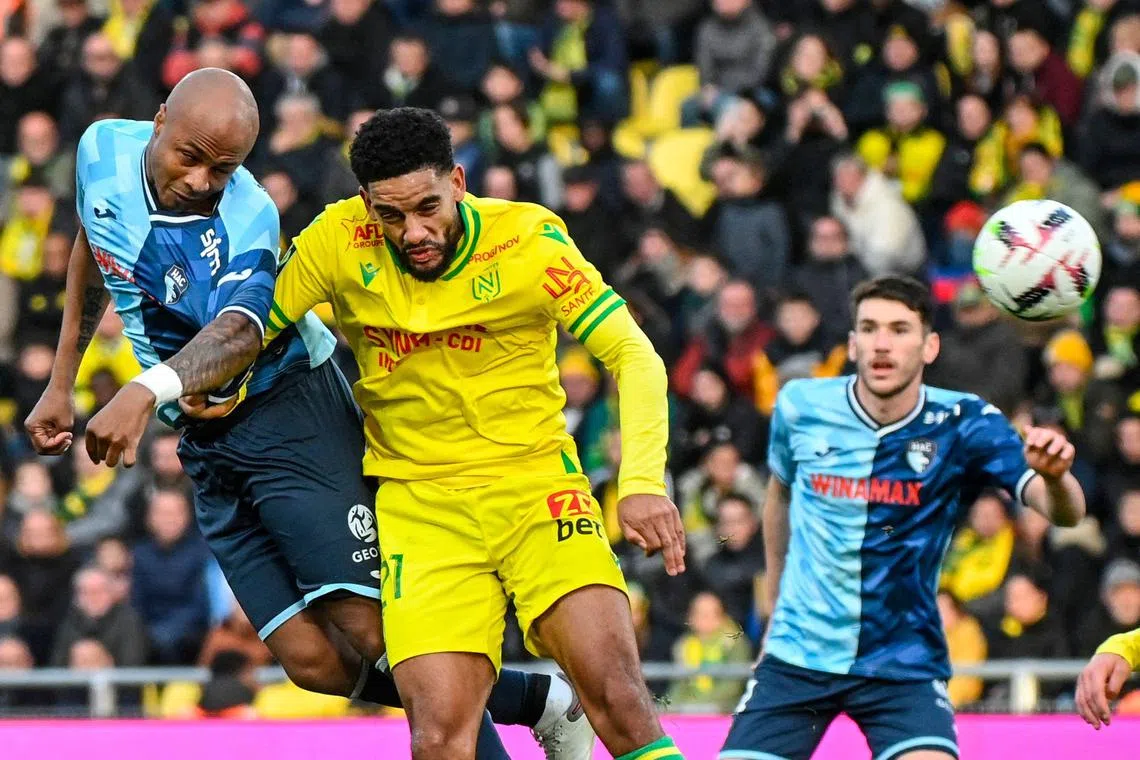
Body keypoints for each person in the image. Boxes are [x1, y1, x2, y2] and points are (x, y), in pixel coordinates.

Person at [22, 70, 583, 759]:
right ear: (160, 118)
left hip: (290, 409)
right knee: (312, 663)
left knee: (376, 633)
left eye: (223, 168)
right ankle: (538, 700)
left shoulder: (246, 217)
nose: (202, 180)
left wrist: (142, 392)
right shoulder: (101, 147)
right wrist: (62, 380)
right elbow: (93, 237)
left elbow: (235, 334)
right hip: (204, 437)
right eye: (189, 157)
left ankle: (520, 722)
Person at [257, 106, 687, 760]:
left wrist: (642, 484)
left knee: (621, 705)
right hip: (421, 510)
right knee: (437, 738)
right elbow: (249, 329)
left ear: (458, 181)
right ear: (366, 202)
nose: (414, 231)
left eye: (428, 206)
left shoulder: (529, 240)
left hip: (538, 490)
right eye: (390, 215)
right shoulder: (336, 240)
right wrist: (164, 384)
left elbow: (634, 356)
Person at [719, 275, 1086, 760]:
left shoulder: (965, 421)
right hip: (798, 658)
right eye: (869, 328)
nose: (882, 344)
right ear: (852, 344)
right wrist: (775, 608)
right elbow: (779, 499)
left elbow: (1066, 511)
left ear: (930, 346)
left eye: (899, 329)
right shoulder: (801, 405)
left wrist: (1057, 477)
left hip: (903, 662)